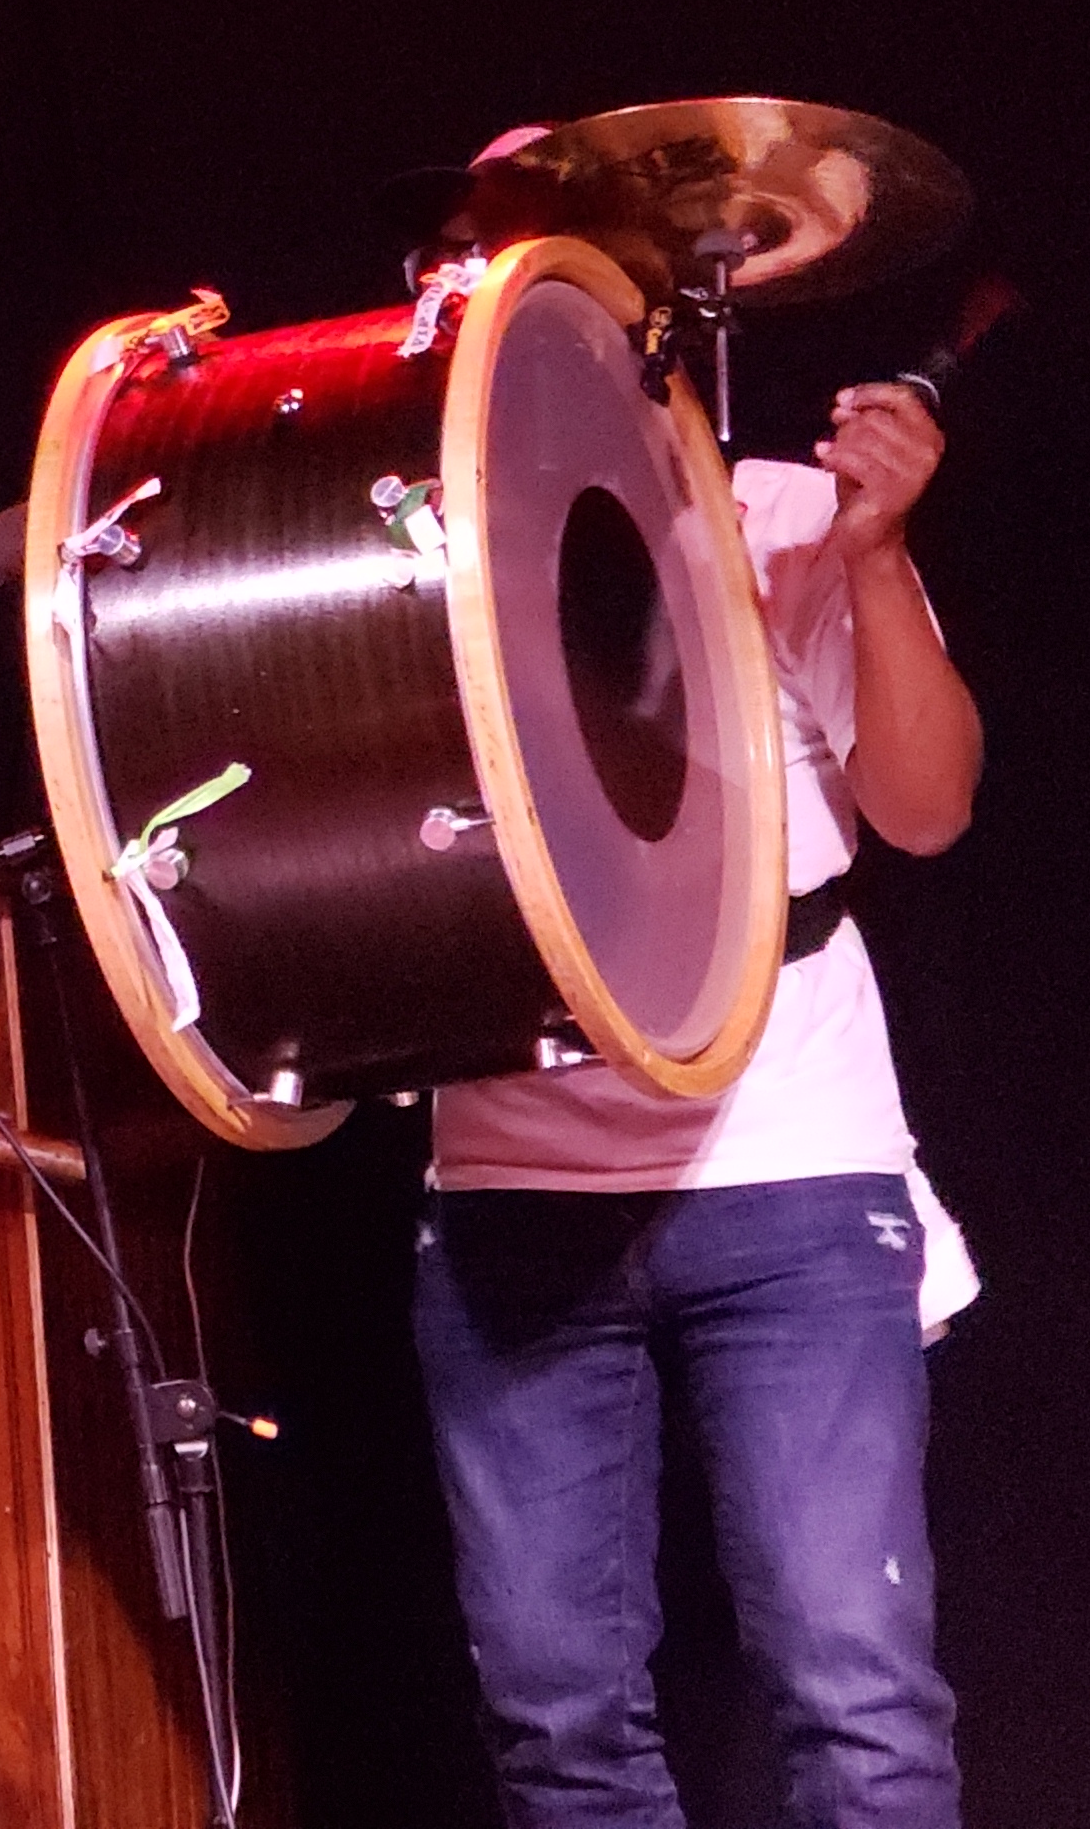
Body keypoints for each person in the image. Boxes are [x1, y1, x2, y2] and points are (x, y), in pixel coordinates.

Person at [415, 165, 985, 1826]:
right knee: (558, 1718)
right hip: (518, 1176)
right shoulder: (394, 558)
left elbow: (929, 810)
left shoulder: (773, 514)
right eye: (460, 271)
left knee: (857, 1694)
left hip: (790, 1163)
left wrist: (874, 553)